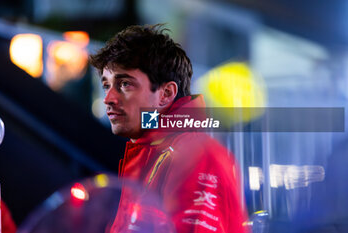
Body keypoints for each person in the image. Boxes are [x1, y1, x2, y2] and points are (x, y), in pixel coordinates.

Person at [90, 24, 248, 233]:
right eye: (106, 86)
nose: (108, 99)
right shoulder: (149, 154)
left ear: (165, 94)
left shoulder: (197, 157)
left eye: (125, 84)